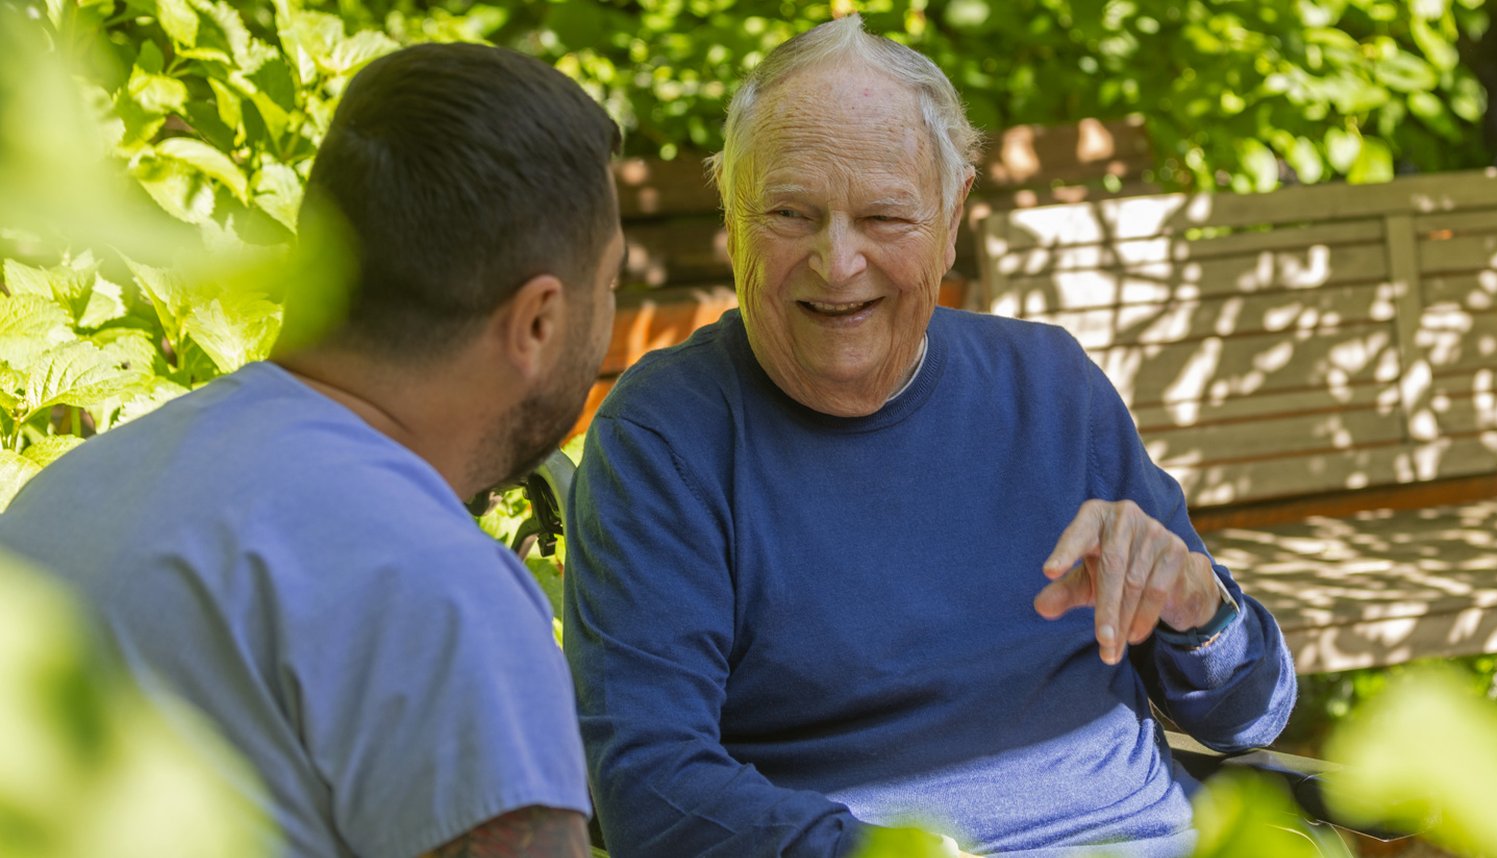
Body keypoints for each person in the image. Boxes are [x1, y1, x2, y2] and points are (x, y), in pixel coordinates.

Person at [565, 16, 1297, 857]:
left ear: (952, 218)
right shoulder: (667, 436)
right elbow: (653, 793)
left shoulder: (1051, 388)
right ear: (732, 218)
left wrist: (1196, 609)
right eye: (791, 213)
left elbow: (1254, 712)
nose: (837, 263)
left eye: (883, 217)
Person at [0, 43, 623, 858]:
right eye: (610, 286)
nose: (615, 312)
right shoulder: (439, 595)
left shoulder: (64, 499)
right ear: (539, 321)